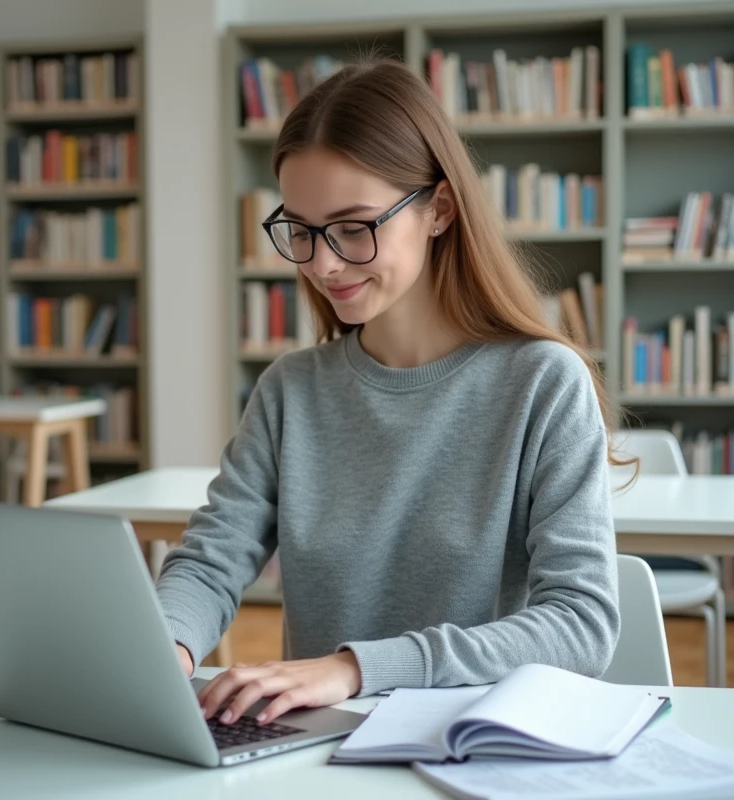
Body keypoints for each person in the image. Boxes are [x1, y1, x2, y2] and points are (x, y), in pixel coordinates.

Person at [156, 56, 628, 727]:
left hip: (474, 745)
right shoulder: (291, 391)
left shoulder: (543, 384)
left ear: (437, 210)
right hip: (321, 751)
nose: (322, 263)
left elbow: (581, 626)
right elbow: (209, 563)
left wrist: (356, 669)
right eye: (301, 230)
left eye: (354, 227)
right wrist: (164, 649)